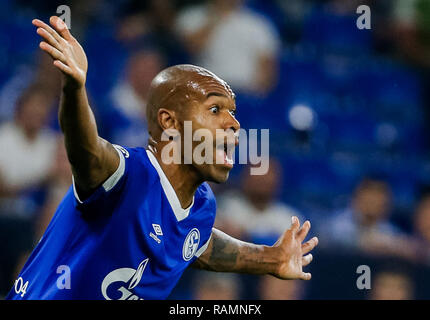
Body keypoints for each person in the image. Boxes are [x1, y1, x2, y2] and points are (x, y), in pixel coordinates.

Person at [6, 16, 318, 300]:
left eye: (233, 114)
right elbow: (85, 148)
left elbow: (199, 245)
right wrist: (76, 90)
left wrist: (270, 258)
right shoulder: (126, 175)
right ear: (169, 122)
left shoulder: (202, 205)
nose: (234, 124)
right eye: (215, 110)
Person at [176, 0, 280, 95]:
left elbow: (267, 69)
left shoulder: (258, 23)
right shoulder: (192, 17)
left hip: (246, 93)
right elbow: (193, 48)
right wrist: (216, 17)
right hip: (206, 91)